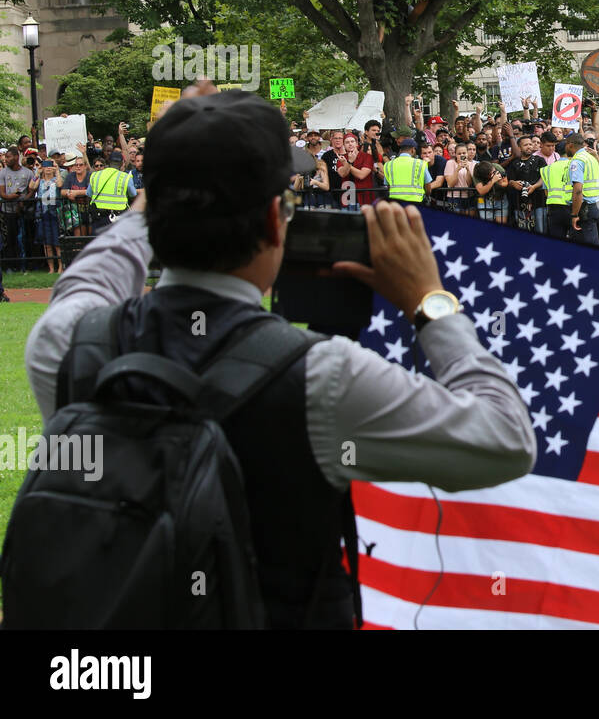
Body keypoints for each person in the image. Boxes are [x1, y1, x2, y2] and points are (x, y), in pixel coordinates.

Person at [23, 84, 535, 628]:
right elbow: (505, 439)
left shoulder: (71, 343)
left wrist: (180, 165)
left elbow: (95, 270)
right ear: (275, 220)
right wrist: (430, 302)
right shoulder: (321, 377)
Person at [563, 133, 599, 245]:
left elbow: (578, 190)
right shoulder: (591, 158)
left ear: (570, 145)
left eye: (566, 144)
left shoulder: (577, 161)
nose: (565, 147)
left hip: (584, 209)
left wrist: (575, 214)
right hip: (593, 205)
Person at [87, 150, 137, 235]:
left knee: (99, 245)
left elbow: (89, 194)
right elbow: (133, 194)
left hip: (99, 217)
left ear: (108, 162)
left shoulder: (95, 175)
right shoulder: (126, 177)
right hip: (119, 217)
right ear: (122, 163)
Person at [29, 160, 63, 273]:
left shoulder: (55, 179)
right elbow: (32, 186)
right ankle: (51, 268)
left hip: (54, 213)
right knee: (47, 243)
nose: (48, 169)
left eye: (50, 167)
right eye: (46, 167)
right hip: (43, 213)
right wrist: (37, 173)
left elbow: (60, 184)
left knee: (57, 242)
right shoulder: (40, 181)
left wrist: (57, 171)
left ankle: (60, 267)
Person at [381, 137, 431, 203]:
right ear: (413, 150)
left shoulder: (388, 165)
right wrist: (427, 195)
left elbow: (388, 186)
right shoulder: (421, 164)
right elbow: (428, 186)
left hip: (396, 203)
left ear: (400, 150)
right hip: (416, 203)